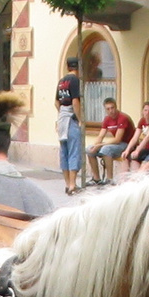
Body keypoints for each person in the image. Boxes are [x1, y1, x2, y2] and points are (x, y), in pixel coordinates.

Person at [84, 97, 134, 186]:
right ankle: (96, 178)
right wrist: (95, 145)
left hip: (128, 144)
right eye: (108, 109)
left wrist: (100, 145)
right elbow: (100, 135)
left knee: (106, 149)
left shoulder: (123, 118)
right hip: (117, 144)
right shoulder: (107, 119)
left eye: (112, 108)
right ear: (105, 110)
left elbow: (117, 139)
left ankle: (109, 179)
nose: (111, 111)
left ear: (116, 107)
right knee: (89, 149)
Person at [56, 56, 83, 196]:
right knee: (74, 151)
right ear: (78, 67)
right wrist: (80, 119)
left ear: (67, 67)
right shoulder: (74, 80)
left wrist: (61, 114)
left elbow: (56, 102)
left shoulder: (61, 82)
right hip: (71, 119)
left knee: (64, 153)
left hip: (61, 119)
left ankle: (67, 184)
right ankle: (73, 185)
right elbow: (75, 102)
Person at [121, 101, 149, 172]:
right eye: (145, 110)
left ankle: (137, 178)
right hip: (145, 148)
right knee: (127, 156)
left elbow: (148, 137)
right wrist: (127, 150)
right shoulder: (142, 121)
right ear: (142, 111)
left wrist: (138, 150)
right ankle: (125, 178)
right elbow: (135, 137)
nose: (147, 113)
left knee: (136, 156)